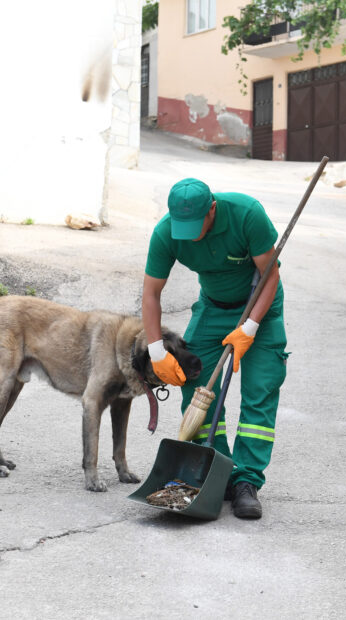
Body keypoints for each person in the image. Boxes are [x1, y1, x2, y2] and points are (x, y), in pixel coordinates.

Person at [141, 178, 288, 519]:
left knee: (260, 391)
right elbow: (151, 294)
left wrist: (249, 328)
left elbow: (270, 276)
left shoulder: (246, 214)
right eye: (183, 227)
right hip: (212, 307)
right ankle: (217, 471)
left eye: (196, 226)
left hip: (260, 309)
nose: (190, 236)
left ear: (212, 209)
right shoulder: (166, 233)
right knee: (195, 381)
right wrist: (157, 351)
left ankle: (246, 481)